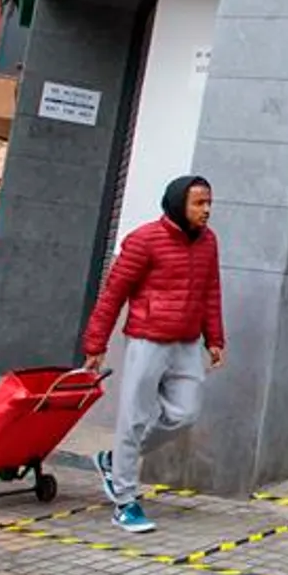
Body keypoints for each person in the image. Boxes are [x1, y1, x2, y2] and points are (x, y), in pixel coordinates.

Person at [83, 176, 226, 535]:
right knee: (134, 418)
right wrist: (95, 345)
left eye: (209, 202)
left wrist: (215, 338)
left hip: (187, 343)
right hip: (147, 341)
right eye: (199, 203)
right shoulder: (144, 240)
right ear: (179, 204)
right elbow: (113, 294)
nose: (206, 209)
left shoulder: (208, 242)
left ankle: (116, 462)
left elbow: (211, 290)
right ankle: (125, 502)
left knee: (184, 414)